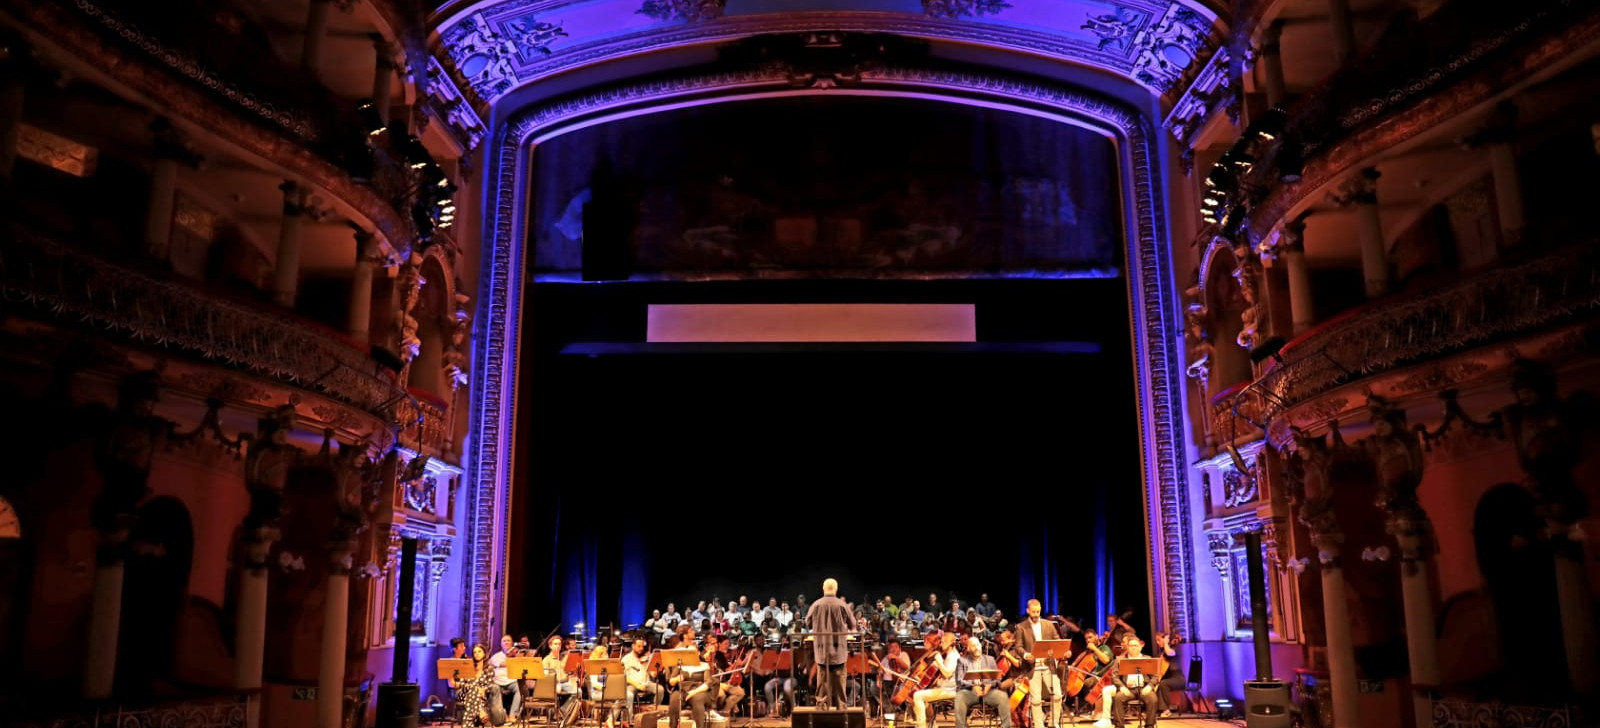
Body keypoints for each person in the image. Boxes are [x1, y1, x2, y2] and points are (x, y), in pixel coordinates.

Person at [806, 577, 857, 710]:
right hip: (839, 651)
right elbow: (853, 624)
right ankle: (841, 711)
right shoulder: (842, 604)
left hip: (821, 651)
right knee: (840, 684)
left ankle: (821, 710)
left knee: (822, 683)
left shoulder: (816, 604)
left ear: (823, 588)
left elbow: (807, 622)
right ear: (836, 589)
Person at [1014, 599, 1063, 728]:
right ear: (1028, 611)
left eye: (1038, 612)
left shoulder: (1049, 625)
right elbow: (1018, 647)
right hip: (1032, 666)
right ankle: (1039, 725)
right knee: (1035, 700)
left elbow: (1056, 640)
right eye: (1033, 612)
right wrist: (1025, 655)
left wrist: (1061, 651)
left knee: (1057, 695)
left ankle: (1054, 722)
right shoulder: (1021, 627)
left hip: (1048, 665)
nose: (1036, 614)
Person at [665, 625, 719, 728]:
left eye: (693, 653)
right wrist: (677, 679)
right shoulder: (681, 665)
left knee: (698, 701)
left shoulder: (704, 665)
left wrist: (692, 692)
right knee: (674, 699)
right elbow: (671, 681)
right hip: (682, 690)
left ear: (698, 653)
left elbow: (708, 683)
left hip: (698, 690)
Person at [954, 635, 1012, 728]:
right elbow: (959, 680)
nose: (977, 648)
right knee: (960, 697)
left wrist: (989, 685)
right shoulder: (962, 661)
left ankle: (1005, 726)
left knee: (1003, 696)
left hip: (988, 691)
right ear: (968, 649)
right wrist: (973, 685)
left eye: (978, 645)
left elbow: (997, 679)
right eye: (973, 646)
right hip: (970, 692)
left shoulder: (990, 659)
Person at [1107, 634, 1158, 728]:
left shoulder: (1147, 659)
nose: (1133, 648)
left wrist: (1150, 686)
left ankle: (1149, 725)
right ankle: (1119, 726)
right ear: (1127, 648)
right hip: (1127, 689)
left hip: (1144, 688)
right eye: (1131, 646)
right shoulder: (1120, 660)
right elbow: (1114, 676)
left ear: (1140, 647)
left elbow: (1155, 677)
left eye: (1136, 645)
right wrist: (1121, 687)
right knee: (1118, 698)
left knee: (1153, 699)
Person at [911, 631, 959, 728]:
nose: (941, 644)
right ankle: (931, 724)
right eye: (941, 642)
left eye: (944, 642)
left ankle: (921, 726)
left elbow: (948, 673)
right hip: (945, 688)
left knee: (917, 695)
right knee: (923, 693)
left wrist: (939, 661)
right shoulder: (949, 655)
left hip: (949, 691)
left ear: (951, 643)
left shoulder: (954, 656)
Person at [623, 636, 666, 718]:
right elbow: (625, 677)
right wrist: (638, 685)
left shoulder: (646, 658)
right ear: (633, 646)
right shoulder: (626, 659)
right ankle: (629, 718)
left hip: (646, 683)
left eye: (642, 646)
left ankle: (654, 712)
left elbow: (653, 674)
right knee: (628, 694)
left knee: (660, 689)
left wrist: (656, 666)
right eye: (639, 646)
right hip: (632, 684)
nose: (641, 648)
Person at [457, 643, 496, 728]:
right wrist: (472, 687)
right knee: (474, 689)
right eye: (475, 652)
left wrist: (484, 689)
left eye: (479, 651)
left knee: (476, 692)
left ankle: (468, 723)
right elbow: (462, 682)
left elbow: (490, 685)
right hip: (465, 694)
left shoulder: (489, 669)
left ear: (484, 653)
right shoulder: (468, 666)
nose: (477, 654)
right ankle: (481, 711)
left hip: (481, 696)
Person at [488, 634, 523, 722]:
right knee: (494, 690)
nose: (506, 642)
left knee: (520, 689)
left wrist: (518, 657)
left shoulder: (517, 655)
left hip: (512, 681)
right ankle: (502, 715)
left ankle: (513, 714)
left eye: (508, 640)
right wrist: (512, 657)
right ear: (501, 644)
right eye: (504, 641)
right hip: (498, 682)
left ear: (512, 643)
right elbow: (502, 664)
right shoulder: (497, 656)